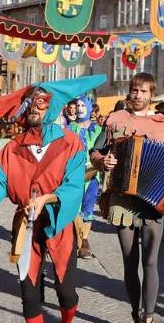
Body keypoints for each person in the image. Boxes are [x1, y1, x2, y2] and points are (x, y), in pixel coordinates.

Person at [0, 75, 107, 323]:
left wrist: (47, 199)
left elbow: (73, 187)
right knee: (29, 292)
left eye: (41, 102)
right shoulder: (12, 149)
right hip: (27, 226)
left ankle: (68, 315)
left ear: (53, 105)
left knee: (66, 294)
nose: (33, 107)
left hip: (60, 223)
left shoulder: (71, 144)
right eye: (30, 102)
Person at [90, 73, 164, 323]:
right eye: (135, 90)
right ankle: (135, 312)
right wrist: (103, 161)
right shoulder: (115, 120)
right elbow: (96, 151)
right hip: (123, 200)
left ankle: (148, 316)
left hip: (153, 202)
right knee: (129, 261)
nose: (138, 95)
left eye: (144, 91)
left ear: (152, 95)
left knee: (150, 260)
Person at [67, 94, 101, 258]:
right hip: (72, 174)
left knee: (88, 206)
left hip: (92, 175)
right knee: (73, 207)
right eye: (78, 105)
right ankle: (74, 238)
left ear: (89, 107)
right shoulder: (69, 128)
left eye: (83, 105)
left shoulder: (99, 129)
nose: (80, 108)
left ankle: (85, 240)